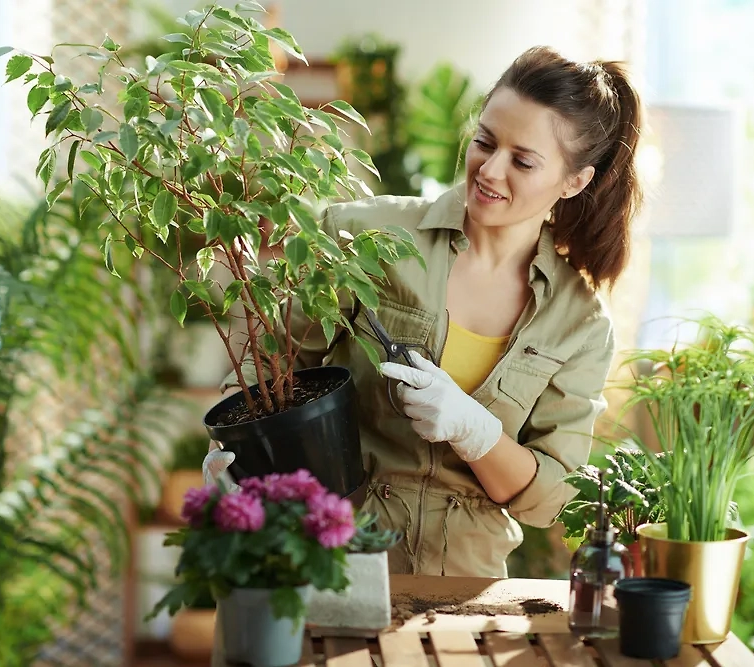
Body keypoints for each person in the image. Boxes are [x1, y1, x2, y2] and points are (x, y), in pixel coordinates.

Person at [204, 45, 643, 578]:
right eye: (484, 141)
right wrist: (237, 451)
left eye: (523, 161)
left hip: (467, 582)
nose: (490, 169)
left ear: (575, 181)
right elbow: (271, 365)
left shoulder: (579, 323)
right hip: (335, 557)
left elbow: (549, 498)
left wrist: (475, 431)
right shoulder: (366, 236)